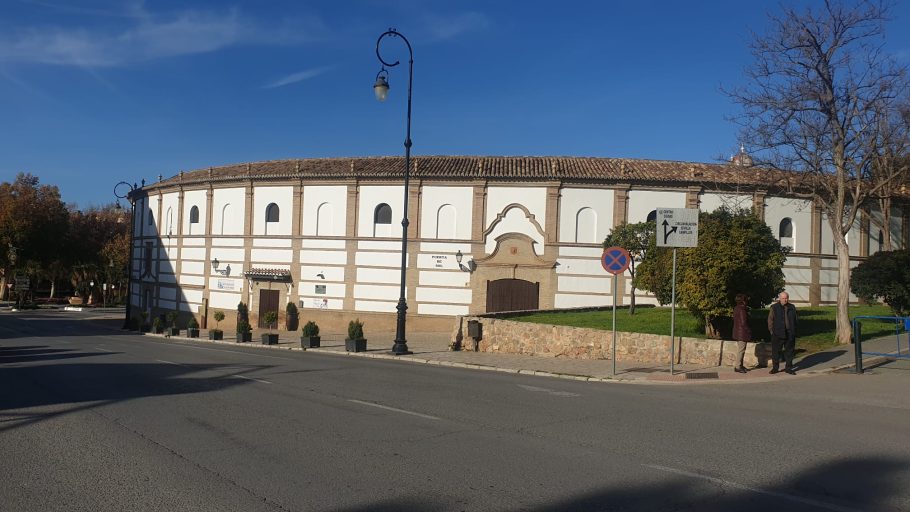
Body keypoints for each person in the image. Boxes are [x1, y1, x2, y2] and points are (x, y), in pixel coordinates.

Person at [767, 291, 798, 375]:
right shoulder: (774, 307)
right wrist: (772, 331)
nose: (785, 300)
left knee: (789, 352)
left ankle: (788, 368)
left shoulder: (792, 307)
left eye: (786, 298)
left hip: (789, 333)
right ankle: (775, 368)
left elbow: (795, 319)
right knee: (776, 352)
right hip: (777, 333)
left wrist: (794, 330)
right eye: (783, 298)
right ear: (779, 299)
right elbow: (770, 320)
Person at [732, 293, 752, 373]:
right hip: (742, 333)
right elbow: (744, 322)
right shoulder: (742, 309)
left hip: (737, 332)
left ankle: (740, 365)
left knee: (741, 349)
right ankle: (738, 366)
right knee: (741, 350)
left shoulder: (736, 308)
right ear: (743, 300)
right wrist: (748, 330)